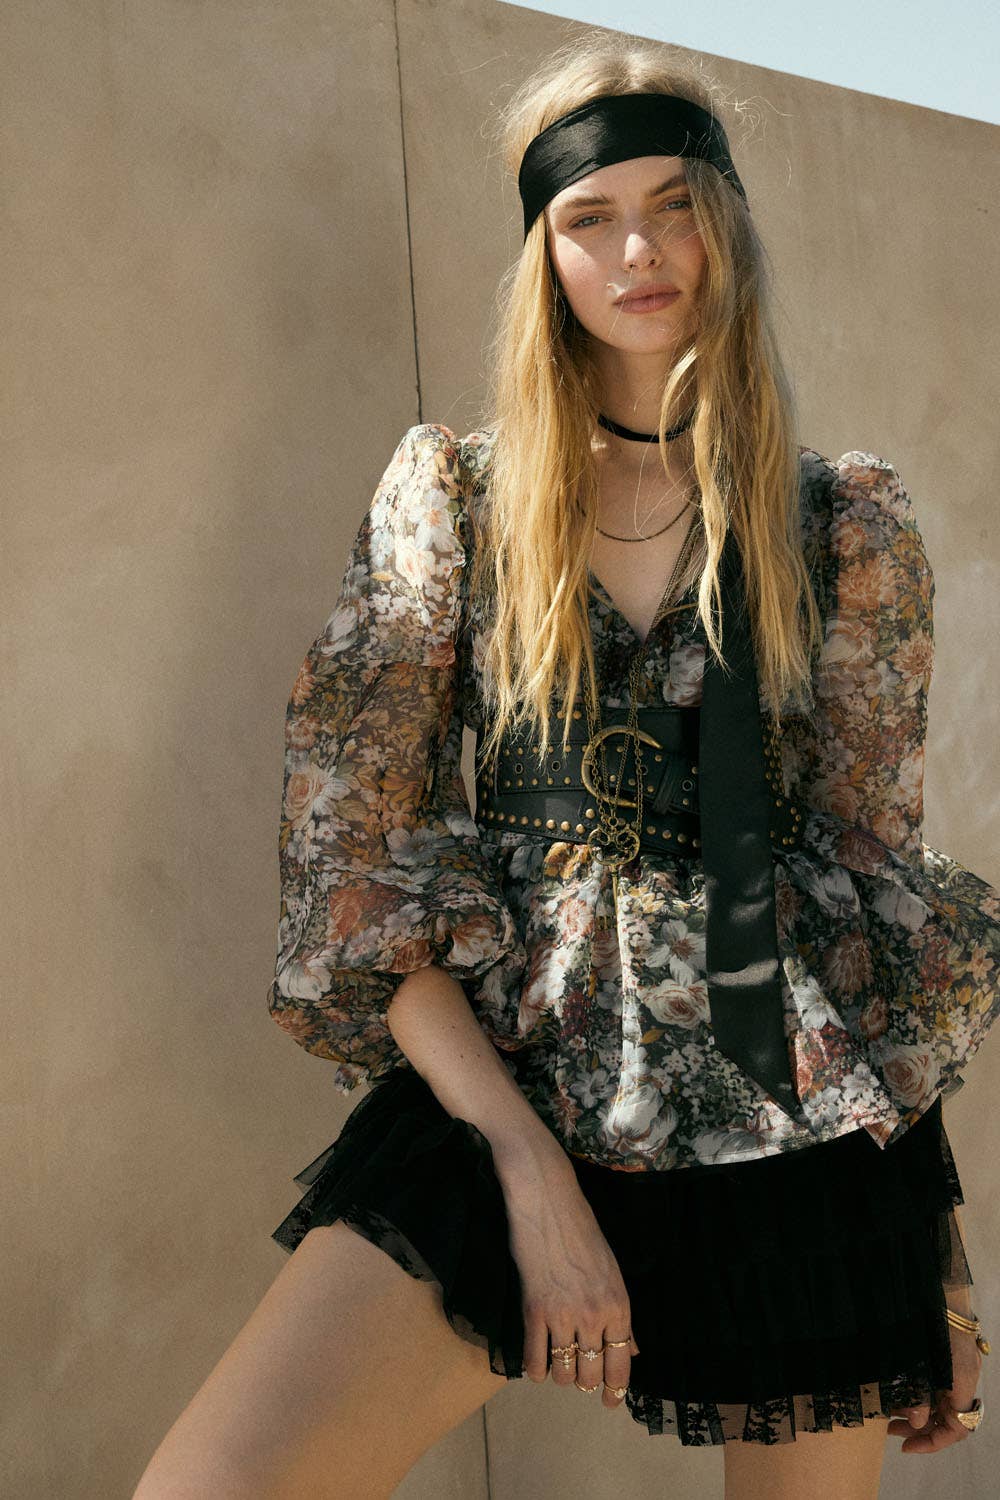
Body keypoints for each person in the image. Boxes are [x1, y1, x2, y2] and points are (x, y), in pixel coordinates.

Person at [131, 34, 1000, 1500]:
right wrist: (526, 1170)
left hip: (786, 1119)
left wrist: (939, 1263)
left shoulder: (842, 524)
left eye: (673, 204)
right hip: (510, 1083)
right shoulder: (458, 500)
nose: (637, 250)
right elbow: (357, 866)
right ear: (544, 255)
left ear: (727, 227)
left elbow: (872, 904)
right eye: (589, 216)